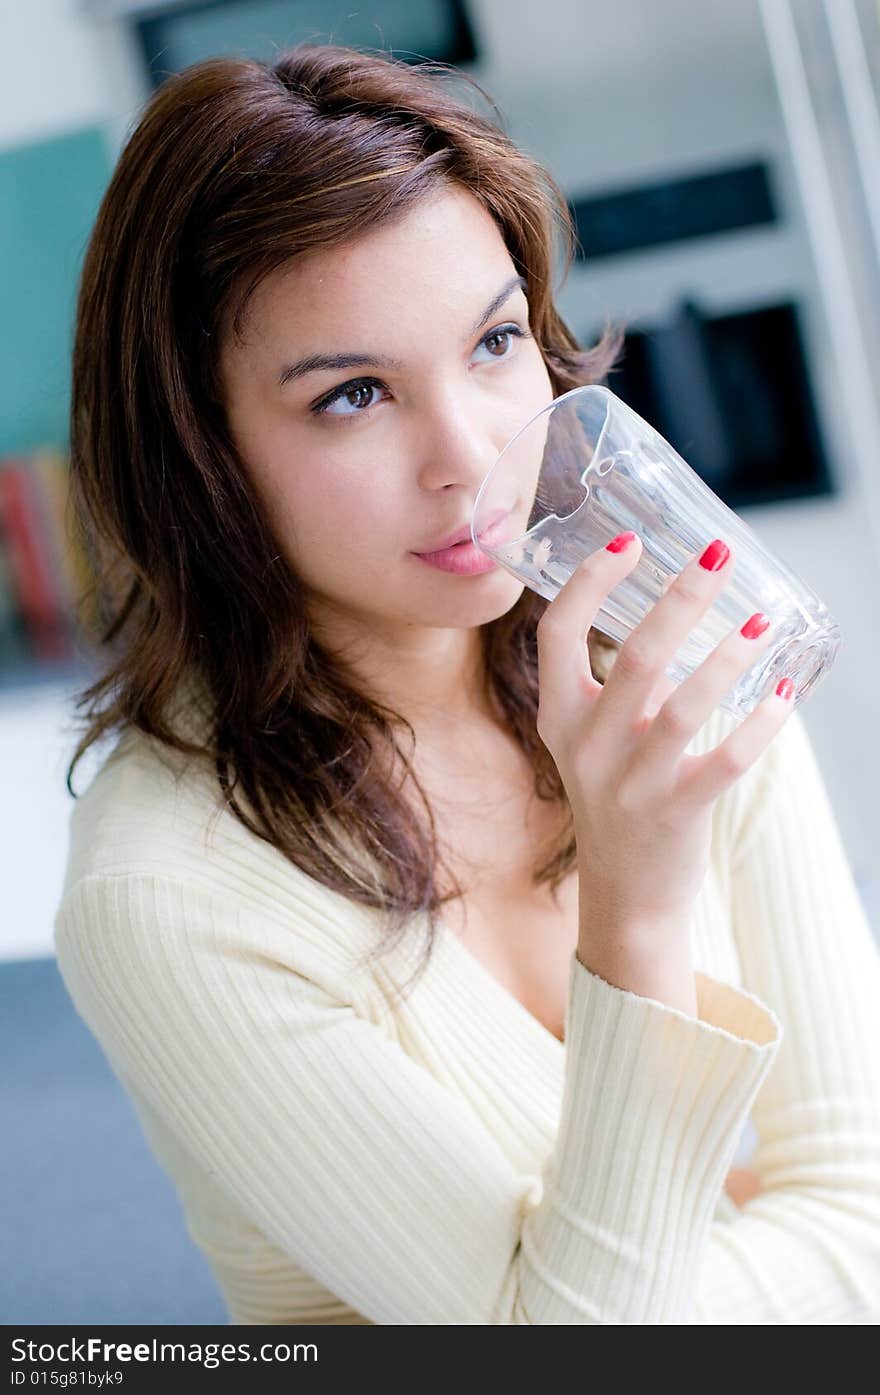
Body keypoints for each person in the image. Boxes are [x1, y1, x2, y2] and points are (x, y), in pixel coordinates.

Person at [53, 43, 880, 1325]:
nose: (472, 453)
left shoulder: (663, 659)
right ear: (201, 455)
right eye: (354, 395)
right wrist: (638, 898)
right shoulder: (167, 892)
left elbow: (865, 1212)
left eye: (495, 341)